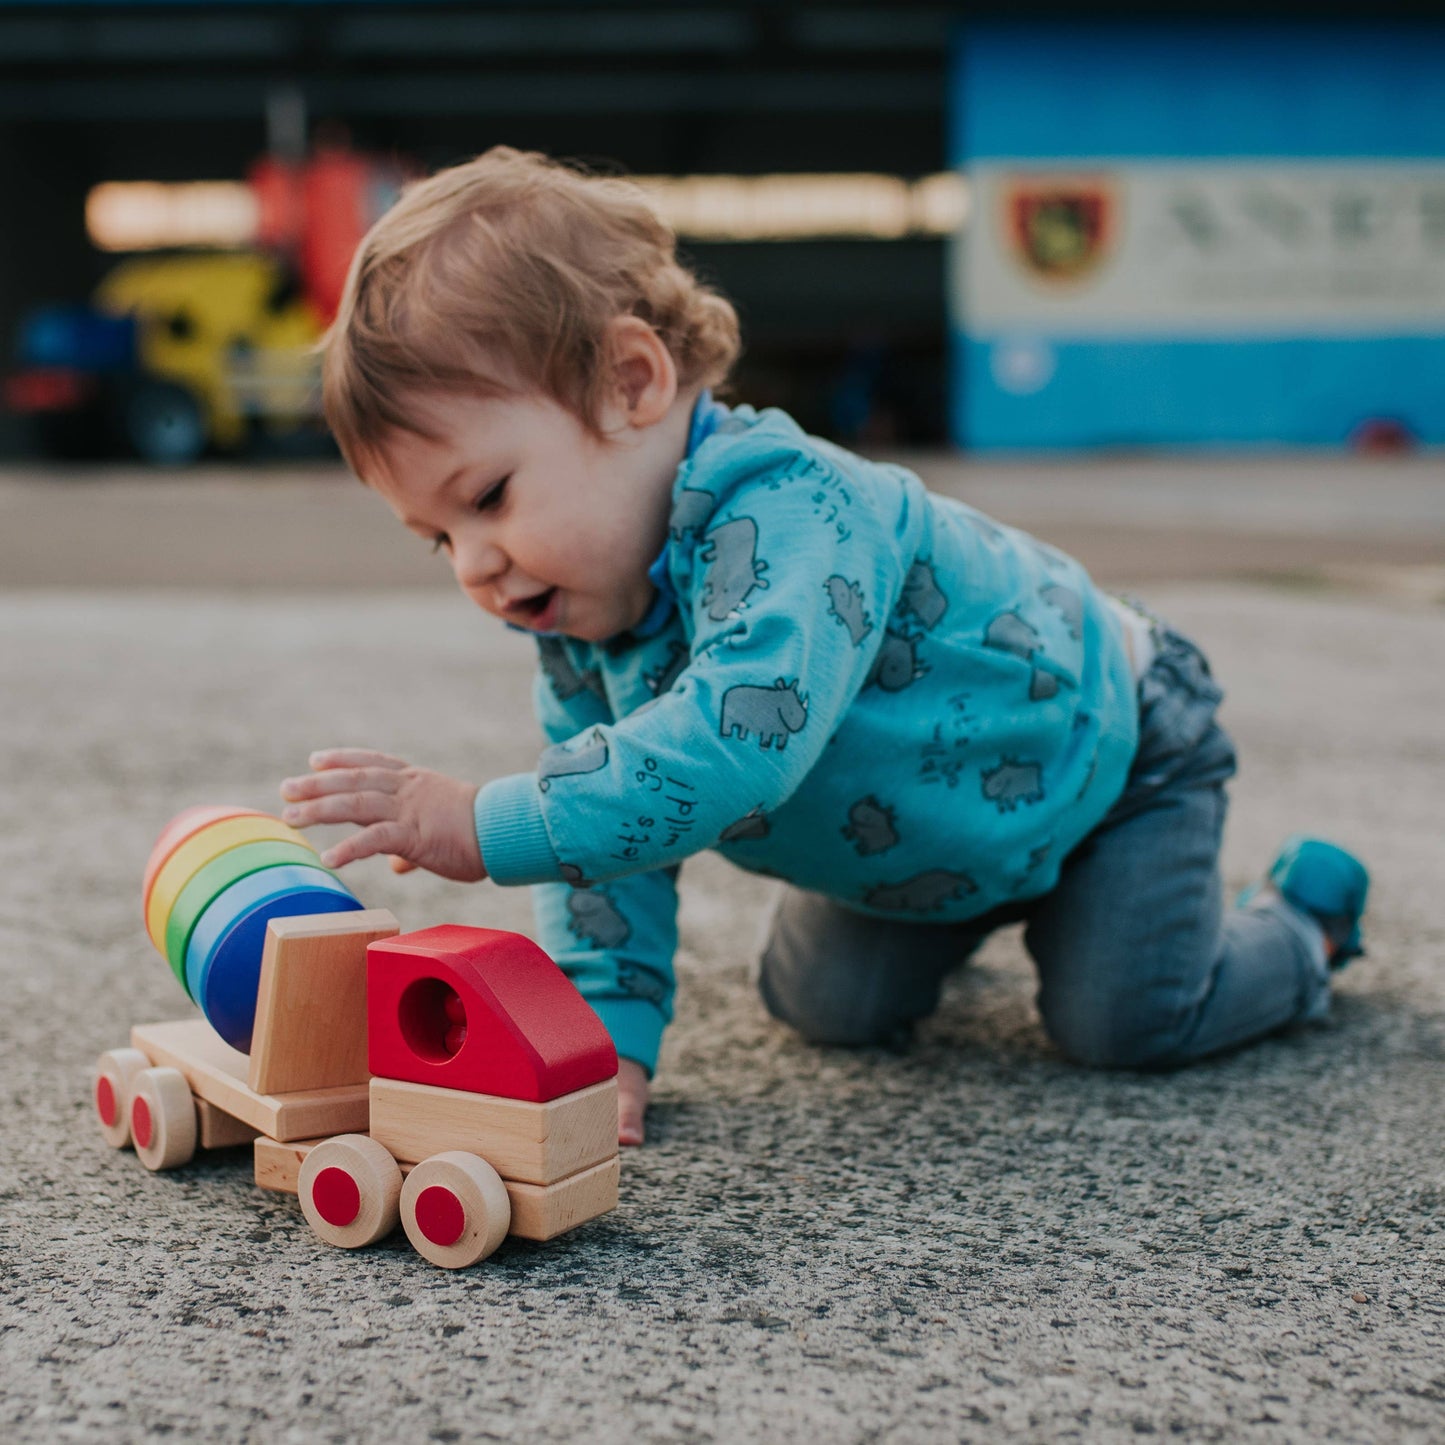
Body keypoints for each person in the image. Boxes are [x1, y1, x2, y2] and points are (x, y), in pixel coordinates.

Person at [278, 147, 1370, 1148]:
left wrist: (481, 822)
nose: (474, 562)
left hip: (1113, 760)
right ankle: (990, 900)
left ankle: (1302, 927)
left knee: (1122, 1021)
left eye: (489, 496)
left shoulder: (796, 514)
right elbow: (607, 842)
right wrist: (601, 1041)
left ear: (631, 382)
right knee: (824, 1007)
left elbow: (729, 746)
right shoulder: (578, 618)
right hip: (932, 838)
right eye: (437, 538)